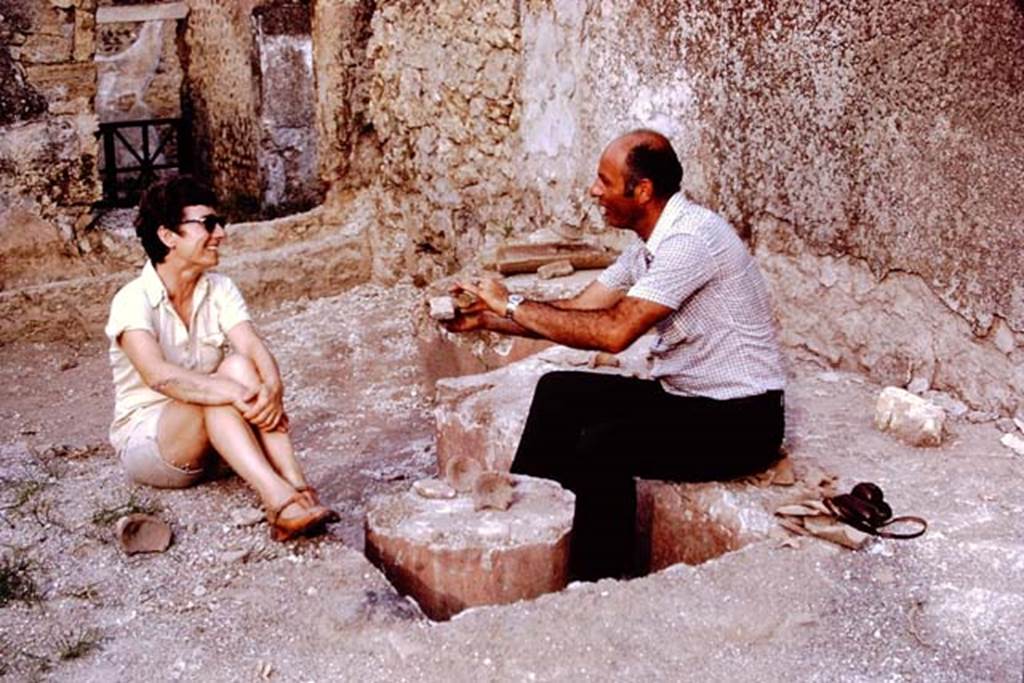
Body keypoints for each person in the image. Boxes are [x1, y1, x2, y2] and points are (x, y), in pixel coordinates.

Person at [447, 130, 786, 580]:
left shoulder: (690, 241)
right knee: (558, 391)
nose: (594, 191)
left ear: (642, 191)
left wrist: (511, 302)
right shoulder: (647, 246)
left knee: (604, 446)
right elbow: (579, 311)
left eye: (604, 182)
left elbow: (613, 334)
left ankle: (596, 583)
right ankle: (526, 530)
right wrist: (489, 318)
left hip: (742, 421)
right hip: (685, 397)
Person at [105, 175, 335, 541]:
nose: (221, 234)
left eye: (220, 223)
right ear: (168, 236)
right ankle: (278, 503)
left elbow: (252, 346)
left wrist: (273, 388)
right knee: (216, 390)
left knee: (241, 367)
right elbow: (157, 375)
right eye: (208, 224)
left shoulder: (220, 288)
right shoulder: (132, 300)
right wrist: (229, 393)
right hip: (152, 443)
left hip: (216, 432)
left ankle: (298, 486)